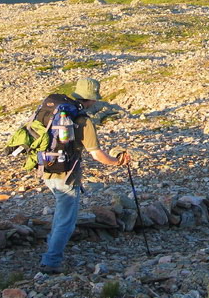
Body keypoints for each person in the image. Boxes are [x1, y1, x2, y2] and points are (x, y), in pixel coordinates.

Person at [40, 78, 131, 274]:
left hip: (46, 169)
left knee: (60, 214)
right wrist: (117, 162)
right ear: (91, 99)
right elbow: (97, 154)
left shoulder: (55, 111)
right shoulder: (83, 120)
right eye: (95, 99)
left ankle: (50, 250)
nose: (96, 103)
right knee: (66, 221)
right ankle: (51, 262)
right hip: (67, 175)